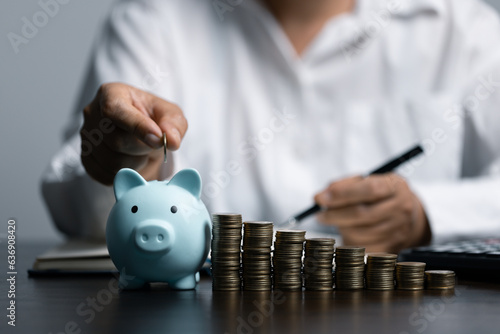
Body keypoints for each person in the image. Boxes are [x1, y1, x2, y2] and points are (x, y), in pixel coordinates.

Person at [41, 0, 500, 253]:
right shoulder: (150, 23)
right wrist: (118, 162)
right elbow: (78, 212)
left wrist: (429, 212)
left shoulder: (466, 30)